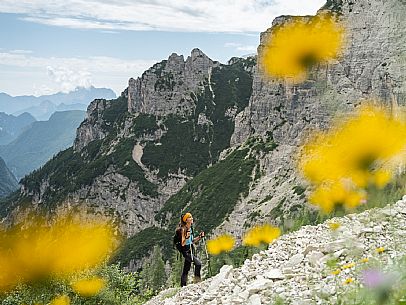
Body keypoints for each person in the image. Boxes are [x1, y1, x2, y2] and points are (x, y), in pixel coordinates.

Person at [177, 212, 205, 286]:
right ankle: (197, 282)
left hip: (191, 249)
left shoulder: (190, 229)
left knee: (186, 268)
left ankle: (183, 285)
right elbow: (183, 243)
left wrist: (199, 237)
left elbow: (192, 241)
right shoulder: (183, 229)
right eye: (190, 217)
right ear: (186, 220)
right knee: (198, 264)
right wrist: (186, 237)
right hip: (186, 251)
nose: (192, 218)